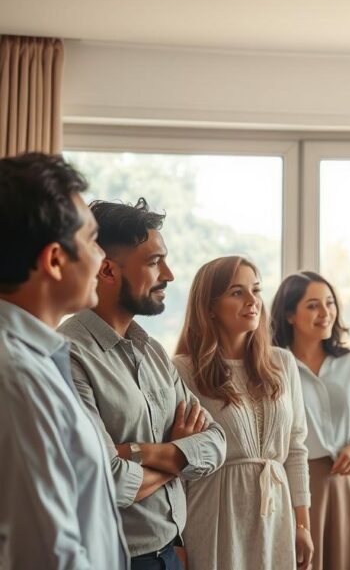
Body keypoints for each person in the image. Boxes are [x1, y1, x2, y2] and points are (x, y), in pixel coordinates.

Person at [58, 198, 227, 569]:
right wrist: (179, 452)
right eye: (153, 262)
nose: (168, 274)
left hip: (171, 554)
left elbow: (216, 443)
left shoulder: (150, 350)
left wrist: (136, 451)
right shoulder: (68, 357)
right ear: (106, 270)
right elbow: (109, 483)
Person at [0, 152, 129, 569]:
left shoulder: (37, 360)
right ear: (55, 260)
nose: (101, 260)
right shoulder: (17, 378)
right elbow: (48, 555)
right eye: (92, 241)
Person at [173, 255, 313, 570]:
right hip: (214, 514)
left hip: (276, 515)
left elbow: (295, 447)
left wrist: (302, 523)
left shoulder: (282, 364)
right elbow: (177, 463)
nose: (253, 301)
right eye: (237, 292)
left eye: (256, 290)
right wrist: (177, 541)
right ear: (209, 306)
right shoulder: (182, 370)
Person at [271, 271, 350, 570]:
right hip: (297, 486)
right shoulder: (273, 365)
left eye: (330, 303)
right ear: (289, 314)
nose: (325, 313)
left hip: (346, 485)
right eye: (312, 305)